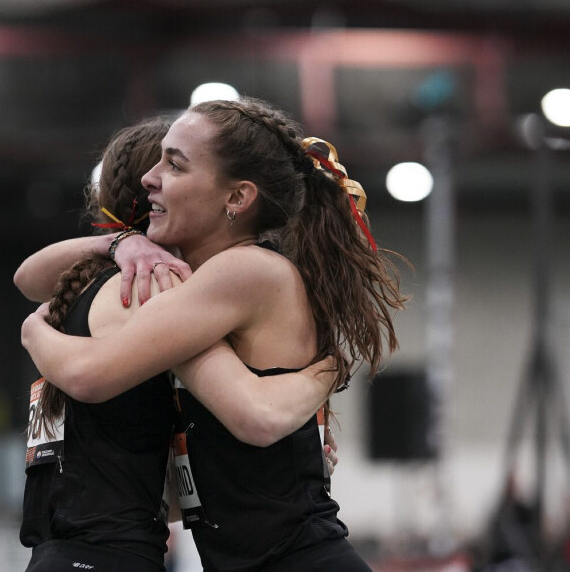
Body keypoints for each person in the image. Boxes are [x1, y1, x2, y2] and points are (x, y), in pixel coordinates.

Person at [21, 96, 408, 571]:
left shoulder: (241, 271)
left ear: (237, 198)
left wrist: (33, 331)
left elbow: (91, 374)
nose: (151, 179)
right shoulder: (202, 290)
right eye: (157, 161)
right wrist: (119, 242)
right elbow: (29, 278)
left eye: (175, 164)